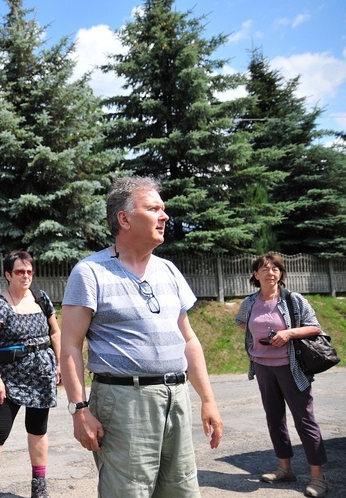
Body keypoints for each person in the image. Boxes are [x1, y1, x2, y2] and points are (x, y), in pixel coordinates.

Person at [59, 176, 223, 498]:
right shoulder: (90, 272)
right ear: (124, 218)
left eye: (164, 209)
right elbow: (70, 346)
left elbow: (188, 339)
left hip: (176, 398)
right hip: (124, 403)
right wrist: (79, 409)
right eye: (154, 209)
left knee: (182, 492)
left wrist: (208, 399)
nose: (165, 216)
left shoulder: (169, 271)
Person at [0, 250, 61, 498]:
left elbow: (55, 333)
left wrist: (59, 364)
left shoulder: (41, 298)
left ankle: (39, 486)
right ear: (8, 274)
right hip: (9, 379)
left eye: (29, 271)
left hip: (41, 376)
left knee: (38, 429)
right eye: (19, 271)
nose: (25, 275)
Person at [234, 252, 328, 497]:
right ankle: (284, 468)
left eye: (275, 268)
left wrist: (288, 334)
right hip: (263, 367)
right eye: (264, 268)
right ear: (255, 274)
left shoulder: (293, 300)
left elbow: (315, 327)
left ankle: (317, 477)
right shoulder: (250, 302)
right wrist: (258, 336)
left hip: (292, 366)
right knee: (274, 418)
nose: (270, 272)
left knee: (304, 420)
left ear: (281, 273)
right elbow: (241, 322)